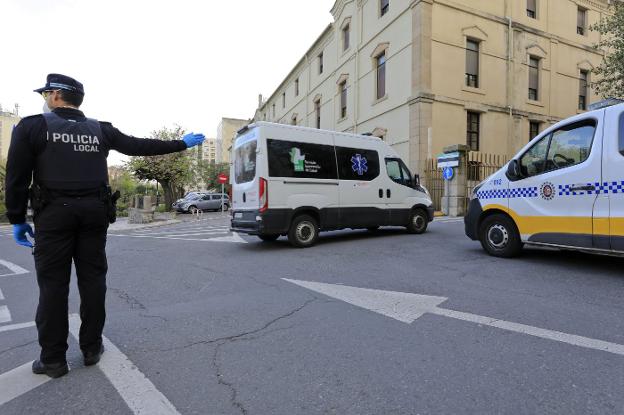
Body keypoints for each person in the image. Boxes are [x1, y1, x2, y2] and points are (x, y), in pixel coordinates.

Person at [4, 73, 206, 378]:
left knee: (53, 287)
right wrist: (181, 143)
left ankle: (53, 359)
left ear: (57, 95)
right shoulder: (101, 130)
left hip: (53, 215)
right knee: (93, 282)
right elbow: (139, 145)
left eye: (46, 94)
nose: (44, 100)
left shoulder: (31, 127)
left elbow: (17, 178)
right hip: (94, 215)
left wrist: (17, 219)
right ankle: (91, 348)